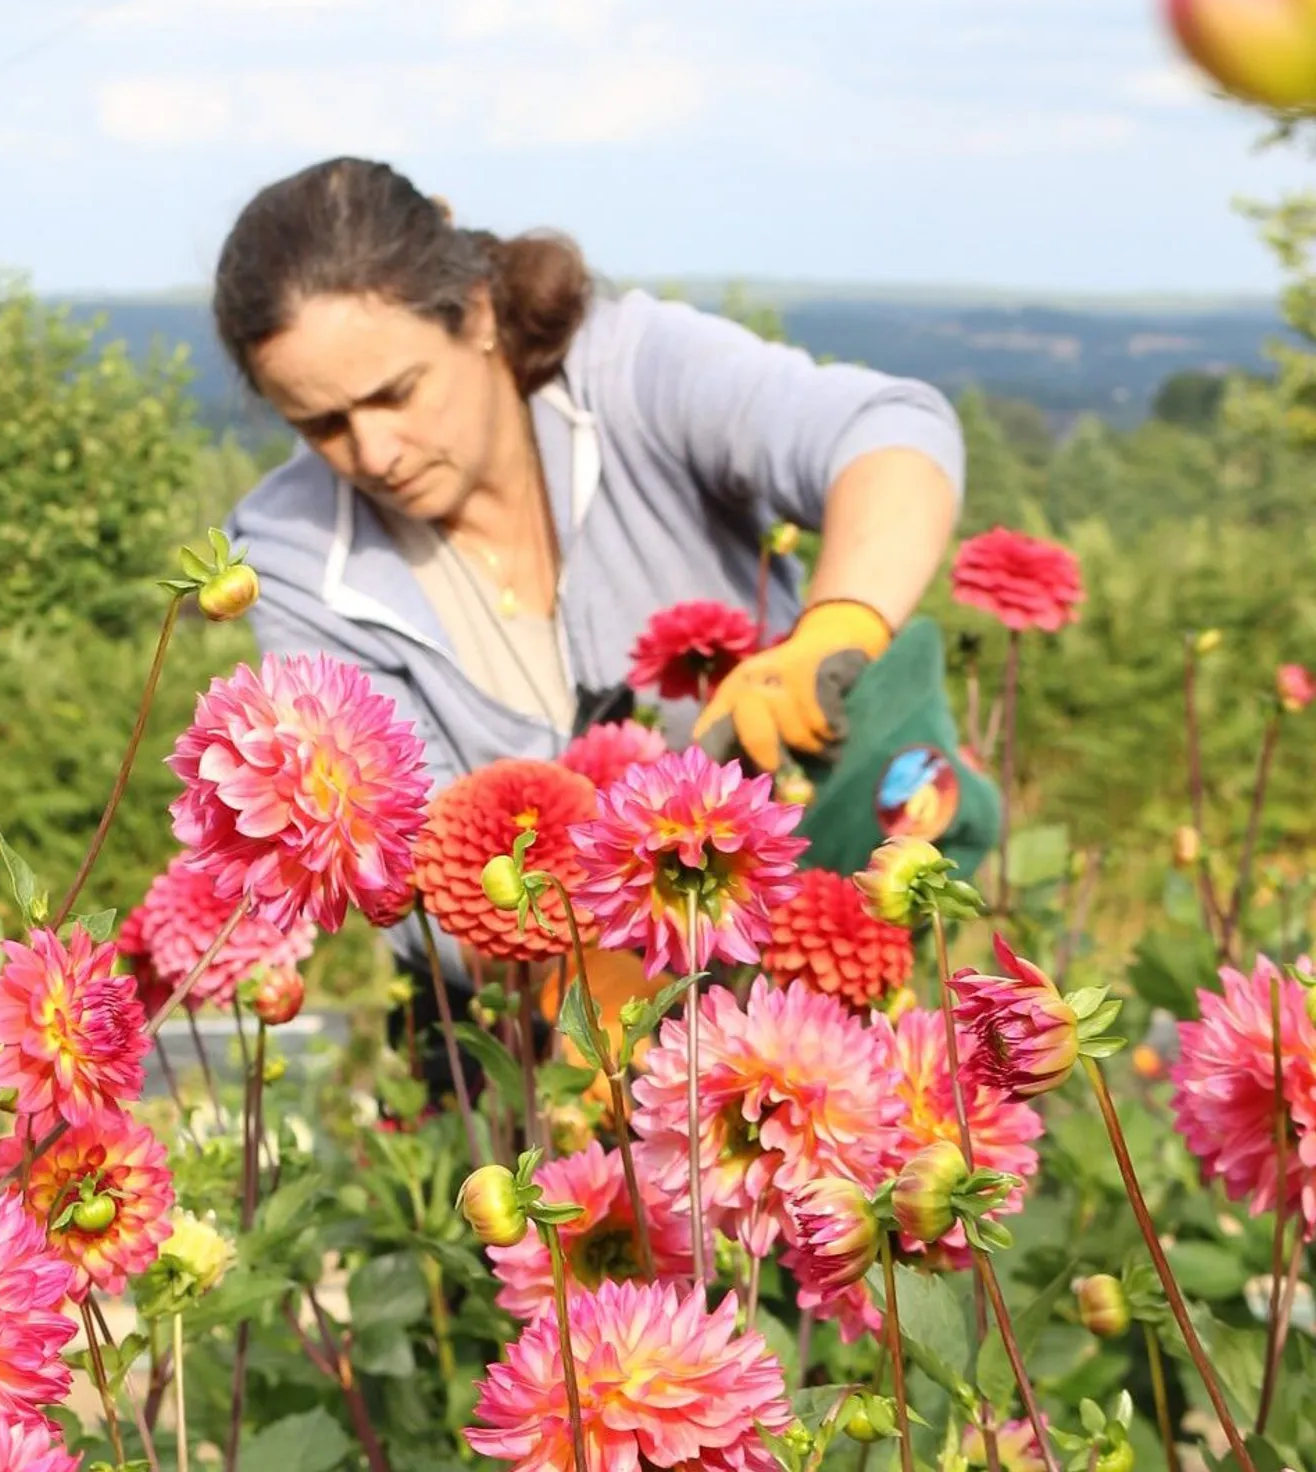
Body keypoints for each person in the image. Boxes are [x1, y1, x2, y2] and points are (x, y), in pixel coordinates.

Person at [214, 156, 965, 1007]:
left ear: (479, 312)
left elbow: (894, 432)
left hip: (811, 954)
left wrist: (836, 629)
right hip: (536, 1025)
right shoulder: (293, 551)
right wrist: (581, 965)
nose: (374, 453)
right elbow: (402, 870)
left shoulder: (627, 368)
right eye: (322, 424)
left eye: (397, 392)